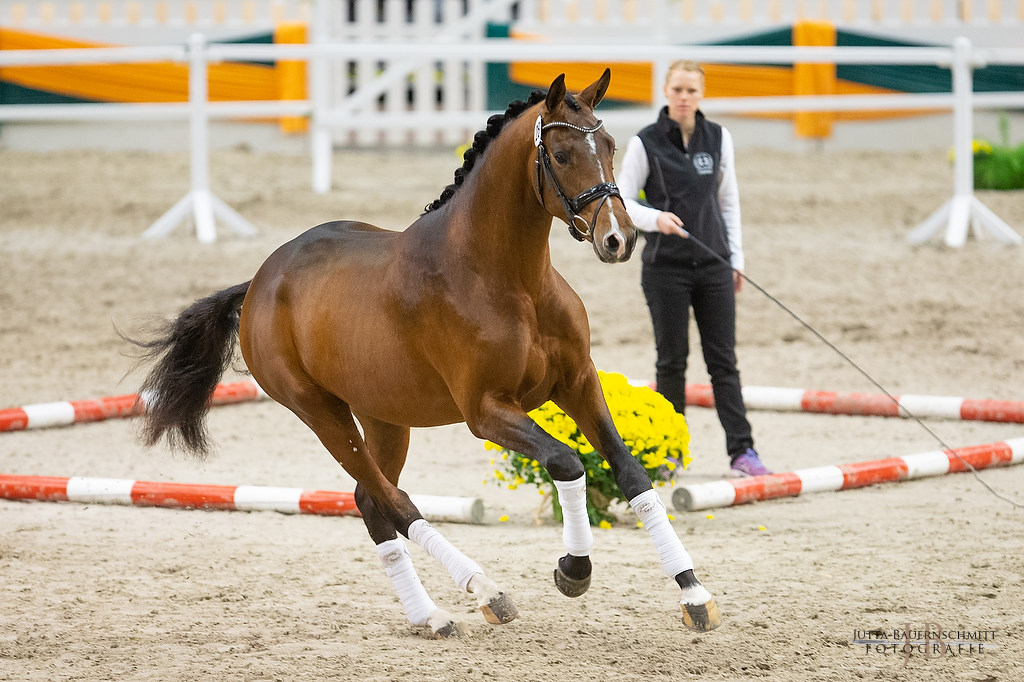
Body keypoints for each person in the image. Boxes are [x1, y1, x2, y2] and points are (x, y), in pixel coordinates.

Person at [617, 59, 772, 477]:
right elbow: (623, 201)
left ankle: (742, 451)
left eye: (692, 91)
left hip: (714, 265)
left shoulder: (719, 138)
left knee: (723, 361)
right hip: (665, 267)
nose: (684, 98)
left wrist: (735, 259)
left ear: (701, 95)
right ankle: (670, 452)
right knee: (672, 361)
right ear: (665, 93)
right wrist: (655, 220)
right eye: (677, 90)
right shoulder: (644, 142)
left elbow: (729, 202)